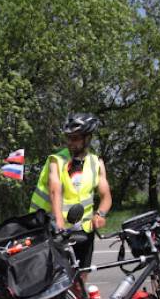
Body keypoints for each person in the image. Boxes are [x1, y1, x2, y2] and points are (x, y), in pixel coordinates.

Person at [30, 112, 112, 272]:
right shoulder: (56, 160)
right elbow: (55, 192)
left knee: (81, 276)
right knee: (55, 280)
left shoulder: (96, 163)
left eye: (75, 138)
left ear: (87, 138)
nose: (70, 142)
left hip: (84, 230)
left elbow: (106, 196)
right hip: (53, 229)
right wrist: (59, 224)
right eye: (68, 138)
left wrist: (101, 214)